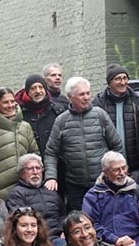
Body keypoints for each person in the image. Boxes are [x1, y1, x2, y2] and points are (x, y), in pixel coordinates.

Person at [43, 76, 123, 212]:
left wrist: (114, 172)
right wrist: (51, 177)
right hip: (75, 187)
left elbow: (117, 146)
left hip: (102, 182)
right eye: (81, 94)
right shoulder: (61, 121)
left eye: (87, 93)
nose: (86, 97)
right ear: (70, 97)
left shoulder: (100, 115)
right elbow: (51, 152)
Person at [81, 151, 139, 246]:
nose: (122, 173)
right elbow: (90, 225)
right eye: (116, 170)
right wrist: (115, 240)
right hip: (106, 245)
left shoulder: (138, 191)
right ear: (105, 172)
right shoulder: (93, 195)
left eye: (124, 168)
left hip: (137, 244)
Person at [0, 87, 39, 197]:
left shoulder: (25, 127)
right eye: (5, 102)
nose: (10, 105)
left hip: (25, 188)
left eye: (12, 101)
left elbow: (35, 154)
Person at [94, 64, 139, 181]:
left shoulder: (137, 102)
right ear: (109, 82)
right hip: (110, 168)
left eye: (125, 78)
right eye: (118, 79)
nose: (123, 82)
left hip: (134, 167)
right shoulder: (100, 103)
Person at [6, 154, 65, 243]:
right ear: (21, 173)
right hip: (36, 240)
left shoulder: (50, 189)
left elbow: (62, 214)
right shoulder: (16, 194)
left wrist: (64, 230)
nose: (35, 172)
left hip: (59, 236)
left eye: (38, 168)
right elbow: (18, 221)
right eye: (30, 169)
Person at [18, 74, 66, 157]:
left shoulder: (57, 110)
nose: (38, 91)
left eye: (40, 87)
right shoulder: (20, 113)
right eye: (33, 88)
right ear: (27, 91)